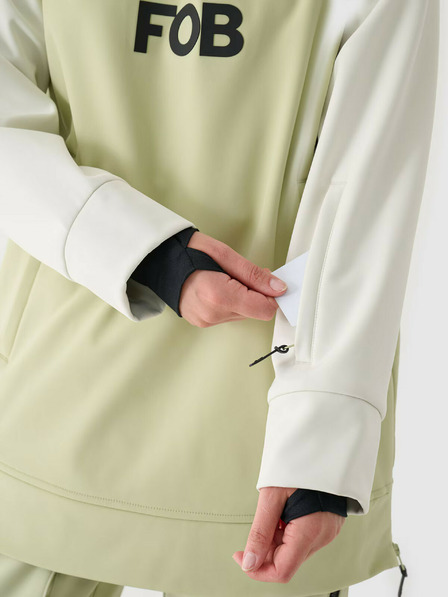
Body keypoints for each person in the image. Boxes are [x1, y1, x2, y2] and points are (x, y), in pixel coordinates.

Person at [0, 0, 439, 595]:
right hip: (87, 414)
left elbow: (365, 199)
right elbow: (363, 198)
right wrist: (321, 451)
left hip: (230, 444)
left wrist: (318, 455)